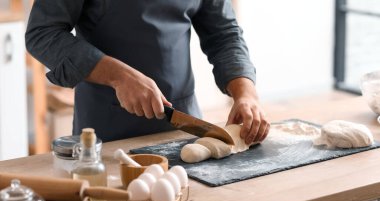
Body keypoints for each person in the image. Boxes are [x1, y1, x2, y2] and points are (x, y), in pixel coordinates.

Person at [25, 1, 270, 144]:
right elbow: (42, 34)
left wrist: (245, 94)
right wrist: (118, 75)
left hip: (184, 131)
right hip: (106, 137)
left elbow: (224, 34)